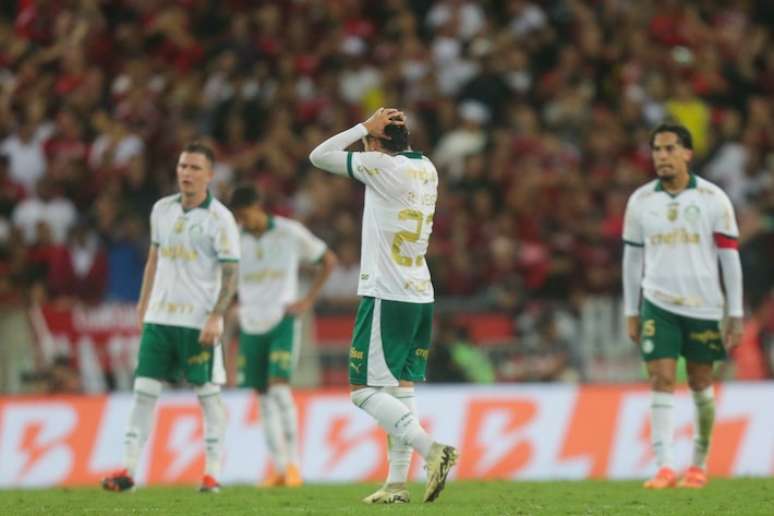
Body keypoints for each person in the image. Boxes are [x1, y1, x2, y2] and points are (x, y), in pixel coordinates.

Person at [309, 108, 458, 504]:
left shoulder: (380, 166)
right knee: (400, 389)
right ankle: (396, 484)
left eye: (367, 142)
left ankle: (432, 450)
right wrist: (376, 134)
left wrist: (362, 127)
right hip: (420, 292)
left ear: (376, 144)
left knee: (362, 391)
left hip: (386, 294)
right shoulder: (427, 167)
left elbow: (318, 156)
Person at [102, 142, 240, 493]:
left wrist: (215, 317)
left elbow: (230, 273)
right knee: (143, 392)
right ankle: (128, 471)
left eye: (194, 168)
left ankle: (211, 474)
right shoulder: (161, 210)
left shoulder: (220, 219)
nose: (186, 174)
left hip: (198, 322)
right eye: (182, 167)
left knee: (208, 395)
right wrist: (142, 305)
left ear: (209, 175)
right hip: (160, 318)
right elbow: (153, 260)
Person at [622, 123, 743, 489]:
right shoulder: (641, 201)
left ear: (687, 153)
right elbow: (631, 259)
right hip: (658, 303)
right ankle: (664, 466)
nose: (662, 156)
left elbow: (729, 260)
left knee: (700, 383)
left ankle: (699, 464)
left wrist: (734, 312)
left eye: (670, 149)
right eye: (657, 150)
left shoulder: (713, 199)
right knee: (660, 377)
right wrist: (632, 309)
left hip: (704, 305)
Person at [228, 183, 337, 488]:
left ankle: (293, 467)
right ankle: (277, 469)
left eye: (245, 215)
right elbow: (227, 277)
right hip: (250, 323)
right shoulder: (236, 239)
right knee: (262, 398)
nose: (243, 222)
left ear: (258, 206)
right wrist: (232, 305)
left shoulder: (289, 232)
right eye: (238, 217)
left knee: (279, 390)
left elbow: (328, 260)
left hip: (283, 319)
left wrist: (308, 300)